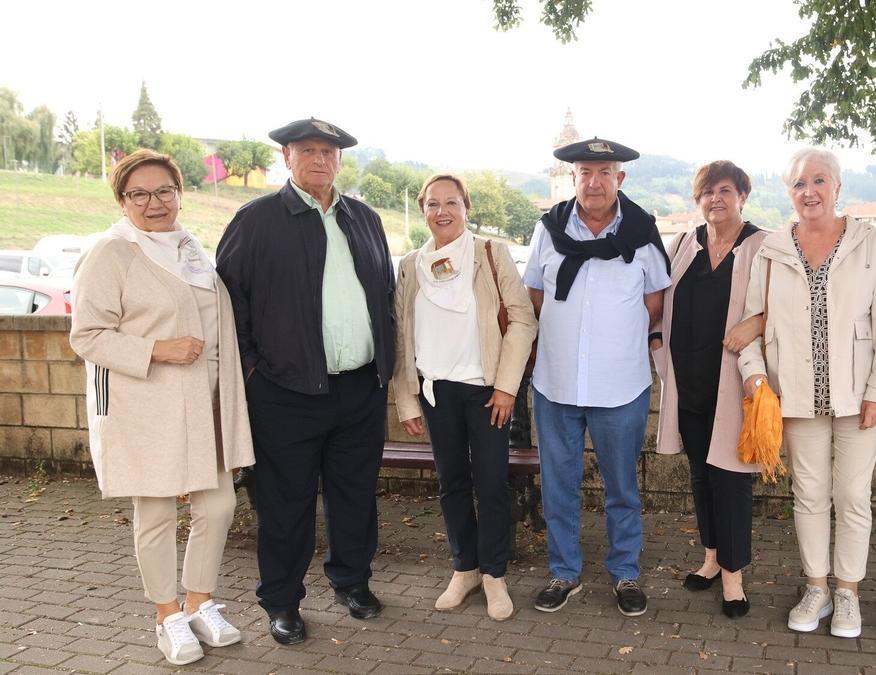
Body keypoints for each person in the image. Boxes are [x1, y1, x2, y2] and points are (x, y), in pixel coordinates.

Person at [70, 150, 255, 666]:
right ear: (123, 201)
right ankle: (166, 616)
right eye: (140, 194)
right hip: (145, 405)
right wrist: (157, 349)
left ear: (180, 192)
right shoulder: (112, 253)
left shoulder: (189, 247)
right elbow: (86, 335)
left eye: (165, 191)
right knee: (154, 514)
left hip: (205, 403)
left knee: (217, 506)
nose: (155, 203)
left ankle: (199, 603)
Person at [215, 118, 395, 645]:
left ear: (339, 160)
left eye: (328, 151)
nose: (320, 158)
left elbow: (383, 295)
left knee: (356, 496)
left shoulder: (364, 218)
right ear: (287, 158)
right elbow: (228, 304)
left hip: (360, 388)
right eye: (308, 149)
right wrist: (253, 371)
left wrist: (382, 370)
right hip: (286, 393)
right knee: (285, 504)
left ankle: (352, 583)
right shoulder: (256, 220)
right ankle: (282, 602)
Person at [739, 147, 876, 639]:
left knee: (852, 495)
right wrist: (756, 377)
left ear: (838, 187)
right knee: (808, 494)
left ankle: (847, 592)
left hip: (858, 395)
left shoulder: (871, 244)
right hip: (795, 395)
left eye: (819, 180)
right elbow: (749, 325)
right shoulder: (771, 249)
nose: (810, 191)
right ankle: (816, 587)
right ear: (789, 192)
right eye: (799, 184)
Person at [523, 137, 671, 616]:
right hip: (556, 383)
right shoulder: (547, 230)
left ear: (620, 179)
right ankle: (564, 573)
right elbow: (535, 298)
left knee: (621, 486)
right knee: (558, 484)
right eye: (585, 172)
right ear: (573, 178)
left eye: (604, 172)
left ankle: (625, 572)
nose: (594, 182)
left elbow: (655, 305)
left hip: (621, 385)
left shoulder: (644, 234)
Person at [392, 174, 536, 621]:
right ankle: (465, 567)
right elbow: (399, 336)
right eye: (433, 204)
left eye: (451, 202)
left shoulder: (490, 254)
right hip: (436, 392)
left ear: (466, 207)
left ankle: (494, 574)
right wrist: (408, 400)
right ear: (423, 211)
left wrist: (507, 386)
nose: (442, 211)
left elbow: (522, 319)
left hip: (486, 392)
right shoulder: (411, 264)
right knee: (452, 484)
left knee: (491, 485)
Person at [652, 160, 767, 618]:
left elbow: (781, 306)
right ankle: (712, 559)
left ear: (742, 195)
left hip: (733, 384)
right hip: (688, 380)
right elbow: (659, 301)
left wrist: (754, 322)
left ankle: (735, 577)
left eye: (724, 190)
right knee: (701, 474)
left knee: (733, 478)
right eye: (706, 192)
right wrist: (657, 338)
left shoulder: (762, 246)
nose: (714, 199)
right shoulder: (683, 243)